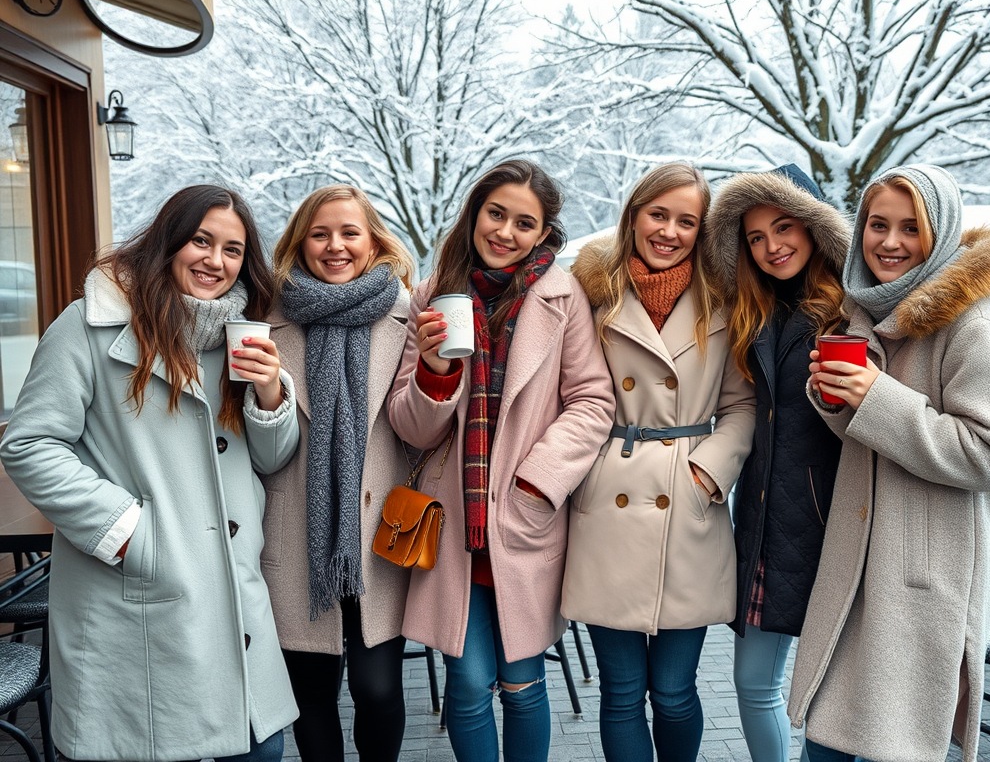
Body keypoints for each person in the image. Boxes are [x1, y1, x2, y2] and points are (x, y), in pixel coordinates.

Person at [0, 185, 299, 761]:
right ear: (168, 241)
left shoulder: (241, 332)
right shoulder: (89, 327)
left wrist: (267, 393)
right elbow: (30, 444)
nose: (217, 261)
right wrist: (130, 532)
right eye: (202, 241)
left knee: (261, 749)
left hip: (234, 592)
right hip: (140, 592)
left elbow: (270, 459)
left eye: (233, 250)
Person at [788, 165, 990, 762]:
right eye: (876, 224)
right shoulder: (862, 313)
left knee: (894, 746)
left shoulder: (973, 324)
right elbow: (869, 439)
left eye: (910, 227)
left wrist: (878, 399)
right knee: (827, 741)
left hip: (921, 575)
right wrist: (835, 398)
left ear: (939, 232)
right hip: (855, 566)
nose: (889, 243)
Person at [388, 159, 614, 762]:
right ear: (475, 212)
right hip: (455, 523)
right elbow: (408, 426)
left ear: (543, 233)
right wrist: (435, 372)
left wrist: (537, 483)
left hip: (523, 519)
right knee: (465, 685)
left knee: (521, 685)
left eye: (524, 222)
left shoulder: (562, 298)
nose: (505, 232)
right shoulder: (432, 296)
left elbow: (593, 401)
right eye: (496, 214)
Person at [562, 162, 756, 762]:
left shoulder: (724, 299)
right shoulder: (590, 294)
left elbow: (742, 404)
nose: (669, 230)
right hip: (609, 506)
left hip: (688, 508)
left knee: (673, 692)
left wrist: (705, 474)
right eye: (658, 214)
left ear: (703, 230)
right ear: (634, 215)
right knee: (622, 692)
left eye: (687, 221)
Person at [260, 184, 415, 762]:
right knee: (311, 694)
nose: (335, 246)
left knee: (377, 691)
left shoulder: (410, 318)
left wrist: (439, 372)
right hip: (298, 534)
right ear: (300, 242)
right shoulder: (266, 321)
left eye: (350, 232)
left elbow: (418, 427)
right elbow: (259, 447)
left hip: (379, 535)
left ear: (374, 241)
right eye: (320, 233)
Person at [703, 164, 848, 762]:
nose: (771, 247)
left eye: (784, 228)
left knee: (828, 700)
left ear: (814, 227)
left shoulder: (848, 313)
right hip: (762, 522)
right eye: (756, 238)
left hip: (832, 525)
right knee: (752, 683)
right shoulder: (751, 310)